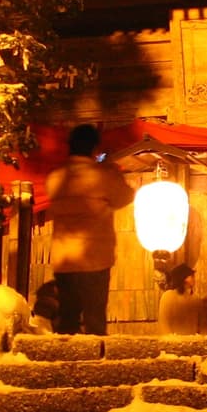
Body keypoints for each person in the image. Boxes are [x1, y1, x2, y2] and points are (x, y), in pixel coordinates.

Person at [45, 123, 134, 335]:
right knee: (95, 319)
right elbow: (125, 196)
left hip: (65, 259)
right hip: (95, 258)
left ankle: (67, 354)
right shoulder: (102, 175)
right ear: (94, 147)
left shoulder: (55, 177)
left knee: (68, 318)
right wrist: (111, 170)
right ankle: (96, 355)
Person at [157, 263, 207, 335]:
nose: (194, 278)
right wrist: (170, 339)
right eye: (191, 276)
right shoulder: (168, 297)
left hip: (193, 340)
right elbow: (164, 324)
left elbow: (203, 326)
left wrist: (204, 339)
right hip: (174, 340)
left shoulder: (196, 299)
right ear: (184, 278)